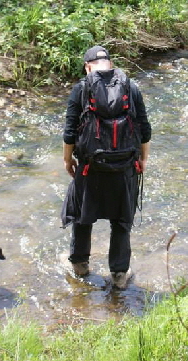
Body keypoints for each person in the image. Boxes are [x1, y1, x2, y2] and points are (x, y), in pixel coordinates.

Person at [61, 45, 151, 288]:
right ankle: (119, 275)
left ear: (87, 66)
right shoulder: (130, 87)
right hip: (124, 169)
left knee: (82, 215)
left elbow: (69, 133)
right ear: (109, 64)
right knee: (121, 221)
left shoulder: (81, 88)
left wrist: (68, 160)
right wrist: (142, 160)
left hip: (90, 168)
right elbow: (144, 128)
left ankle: (80, 266)